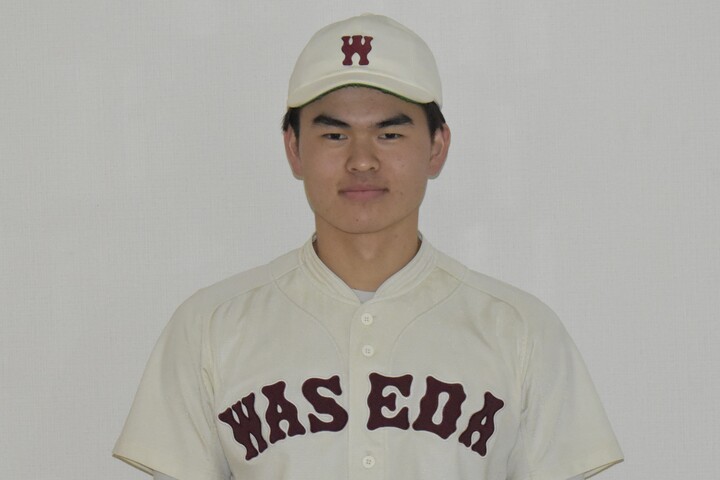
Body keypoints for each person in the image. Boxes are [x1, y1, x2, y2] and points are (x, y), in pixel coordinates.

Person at [113, 14, 623, 480]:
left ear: (437, 146)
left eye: (390, 134)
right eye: (334, 135)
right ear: (293, 148)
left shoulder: (520, 330)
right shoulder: (210, 327)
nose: (362, 161)